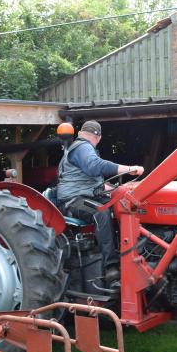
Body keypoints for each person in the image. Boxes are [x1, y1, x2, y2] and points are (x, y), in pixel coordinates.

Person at [55, 120, 144, 280]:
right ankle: (110, 267)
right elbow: (94, 166)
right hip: (72, 200)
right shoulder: (82, 147)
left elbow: (96, 183)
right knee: (100, 213)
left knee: (119, 206)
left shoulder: (80, 148)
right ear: (98, 137)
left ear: (82, 132)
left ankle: (126, 255)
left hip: (85, 195)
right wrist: (129, 169)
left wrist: (118, 191)